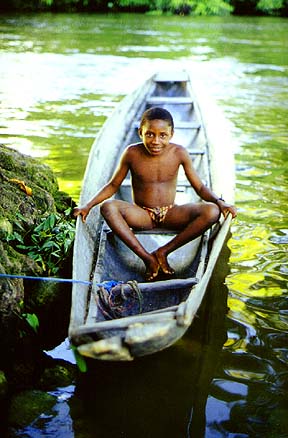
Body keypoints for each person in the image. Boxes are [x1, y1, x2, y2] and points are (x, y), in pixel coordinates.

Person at [74, 107, 237, 281]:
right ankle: (147, 257)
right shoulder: (132, 153)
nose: (156, 141)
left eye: (163, 135)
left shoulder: (179, 153)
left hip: (171, 213)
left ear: (171, 134)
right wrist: (87, 206)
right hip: (142, 215)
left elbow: (200, 188)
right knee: (108, 207)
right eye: (150, 134)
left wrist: (221, 202)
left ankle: (163, 251)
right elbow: (114, 185)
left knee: (212, 212)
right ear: (140, 132)